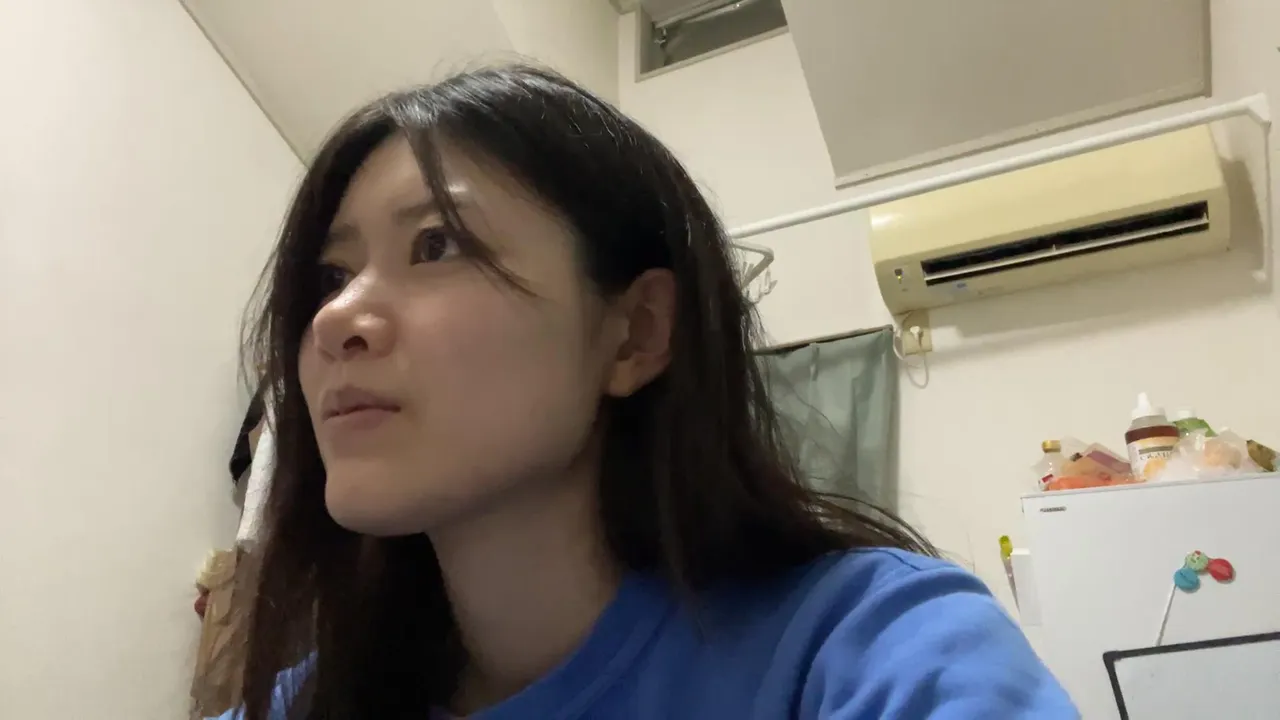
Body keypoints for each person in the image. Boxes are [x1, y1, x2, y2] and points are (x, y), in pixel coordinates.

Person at [220, 64, 1077, 719]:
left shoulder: (868, 647)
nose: (335, 319)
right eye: (332, 275)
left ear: (634, 334)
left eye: (436, 244)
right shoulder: (306, 703)